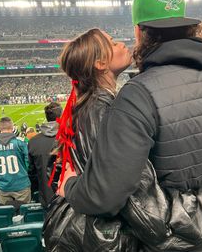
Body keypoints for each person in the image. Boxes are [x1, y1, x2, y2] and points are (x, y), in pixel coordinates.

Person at [58, 0, 202, 251]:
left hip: (180, 240)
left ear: (139, 31)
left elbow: (113, 197)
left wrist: (72, 188)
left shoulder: (137, 95)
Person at [43, 28, 133, 251]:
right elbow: (113, 189)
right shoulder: (100, 110)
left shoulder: (88, 105)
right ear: (100, 63)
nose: (121, 44)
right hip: (100, 236)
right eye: (112, 43)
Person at [0, 117, 31, 205]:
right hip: (21, 184)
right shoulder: (20, 142)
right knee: (24, 213)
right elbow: (28, 162)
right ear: (12, 128)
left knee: (7, 213)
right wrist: (24, 173)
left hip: (3, 185)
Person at [28, 102, 62, 208]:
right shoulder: (71, 139)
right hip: (68, 197)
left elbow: (32, 173)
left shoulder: (33, 142)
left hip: (46, 197)